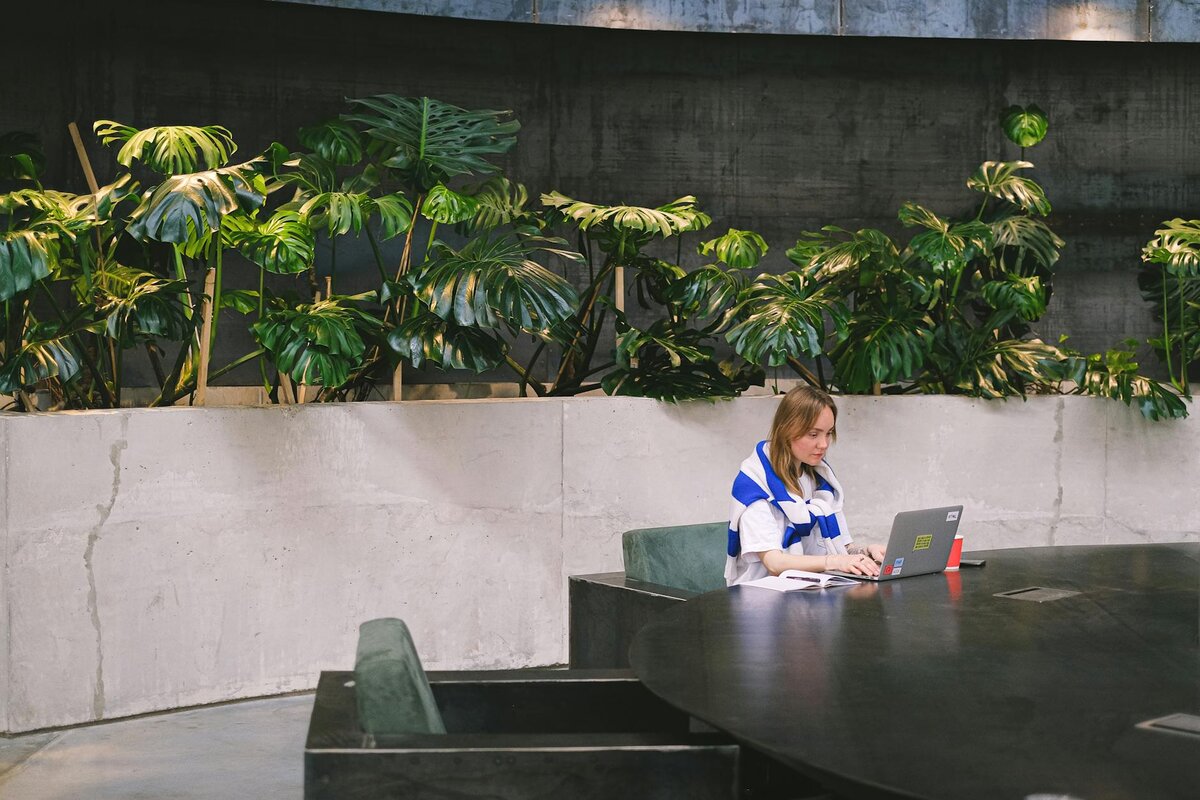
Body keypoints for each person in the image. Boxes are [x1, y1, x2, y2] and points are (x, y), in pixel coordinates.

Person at [724, 385, 885, 586]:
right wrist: (835, 562)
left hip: (810, 594)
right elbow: (774, 563)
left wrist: (864, 553)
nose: (824, 444)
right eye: (813, 434)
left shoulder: (821, 480)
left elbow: (843, 547)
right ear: (786, 430)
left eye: (828, 433)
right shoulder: (754, 485)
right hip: (760, 600)